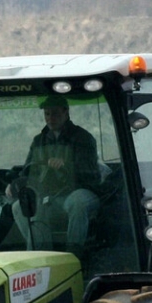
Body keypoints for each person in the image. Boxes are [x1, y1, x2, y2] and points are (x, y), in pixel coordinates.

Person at [17, 97, 103, 249]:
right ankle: (41, 253)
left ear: (66, 112)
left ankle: (73, 255)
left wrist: (67, 166)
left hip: (81, 191)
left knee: (77, 203)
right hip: (50, 195)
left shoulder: (83, 138)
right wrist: (14, 185)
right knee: (19, 206)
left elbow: (90, 173)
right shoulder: (39, 141)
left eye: (55, 114)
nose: (50, 119)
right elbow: (27, 171)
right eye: (47, 114)